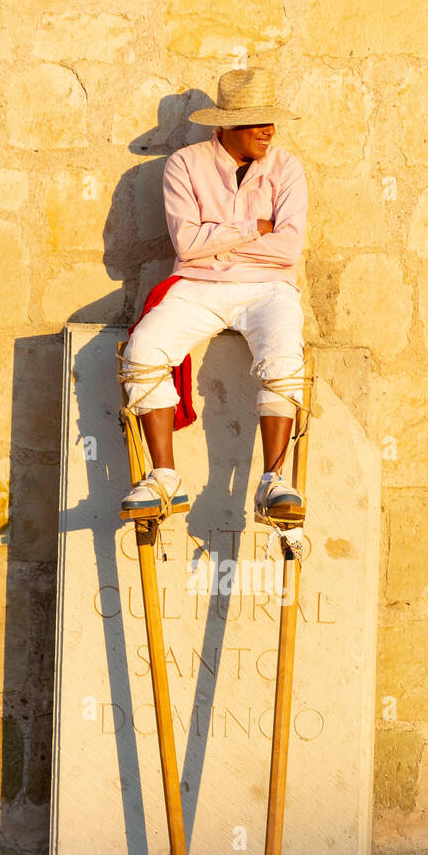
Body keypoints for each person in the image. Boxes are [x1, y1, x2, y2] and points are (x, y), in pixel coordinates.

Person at [118, 67, 309, 524]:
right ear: (225, 125)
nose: (268, 130)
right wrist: (251, 229)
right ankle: (163, 478)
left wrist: (217, 243)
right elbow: (186, 243)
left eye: (270, 120)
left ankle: (273, 483)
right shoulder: (185, 164)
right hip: (198, 285)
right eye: (255, 120)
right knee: (142, 351)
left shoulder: (286, 167)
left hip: (269, 288)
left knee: (284, 358)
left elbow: (289, 246)